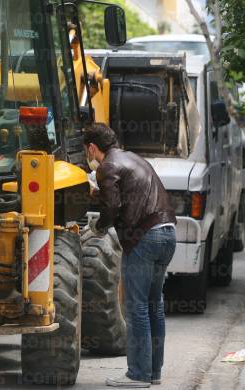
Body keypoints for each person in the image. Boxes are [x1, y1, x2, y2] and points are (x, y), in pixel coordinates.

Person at [84, 123, 176, 388]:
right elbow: (127, 196)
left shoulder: (106, 166)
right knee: (153, 305)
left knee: (136, 309)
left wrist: (98, 227)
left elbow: (112, 207)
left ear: (92, 148)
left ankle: (137, 375)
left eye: (87, 151)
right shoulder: (134, 158)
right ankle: (153, 372)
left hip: (144, 238)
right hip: (167, 233)